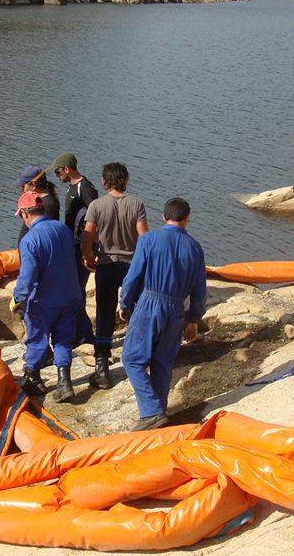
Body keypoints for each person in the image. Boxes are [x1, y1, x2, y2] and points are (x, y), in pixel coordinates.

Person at [118, 198, 207, 431]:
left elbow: (133, 277)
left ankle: (151, 412)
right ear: (187, 218)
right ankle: (160, 413)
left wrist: (125, 304)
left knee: (132, 358)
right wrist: (194, 319)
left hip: (150, 303)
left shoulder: (148, 240)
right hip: (176, 308)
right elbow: (199, 290)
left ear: (163, 216)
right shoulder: (195, 248)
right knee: (163, 363)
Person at [81, 162, 148, 389]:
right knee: (137, 311)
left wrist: (88, 256)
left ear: (104, 181)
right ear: (126, 180)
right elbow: (144, 238)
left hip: (107, 264)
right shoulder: (136, 204)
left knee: (104, 313)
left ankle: (102, 369)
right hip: (131, 265)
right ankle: (140, 360)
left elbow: (88, 235)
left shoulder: (97, 206)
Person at [11, 192, 82, 402]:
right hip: (70, 295)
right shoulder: (63, 229)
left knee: (37, 339)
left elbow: (28, 275)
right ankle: (64, 382)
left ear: (25, 213)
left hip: (43, 301)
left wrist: (18, 298)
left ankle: (32, 378)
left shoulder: (29, 239)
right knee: (63, 339)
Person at [47, 152, 98, 347]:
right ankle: (79, 332)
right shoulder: (72, 188)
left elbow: (95, 219)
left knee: (77, 291)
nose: (57, 175)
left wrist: (89, 251)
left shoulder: (86, 188)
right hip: (72, 246)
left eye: (58, 171)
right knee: (73, 289)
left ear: (67, 169)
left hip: (81, 247)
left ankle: (84, 334)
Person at [15, 165, 61, 247]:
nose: (22, 190)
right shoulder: (39, 201)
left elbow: (43, 235)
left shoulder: (48, 204)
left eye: (23, 186)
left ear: (33, 185)